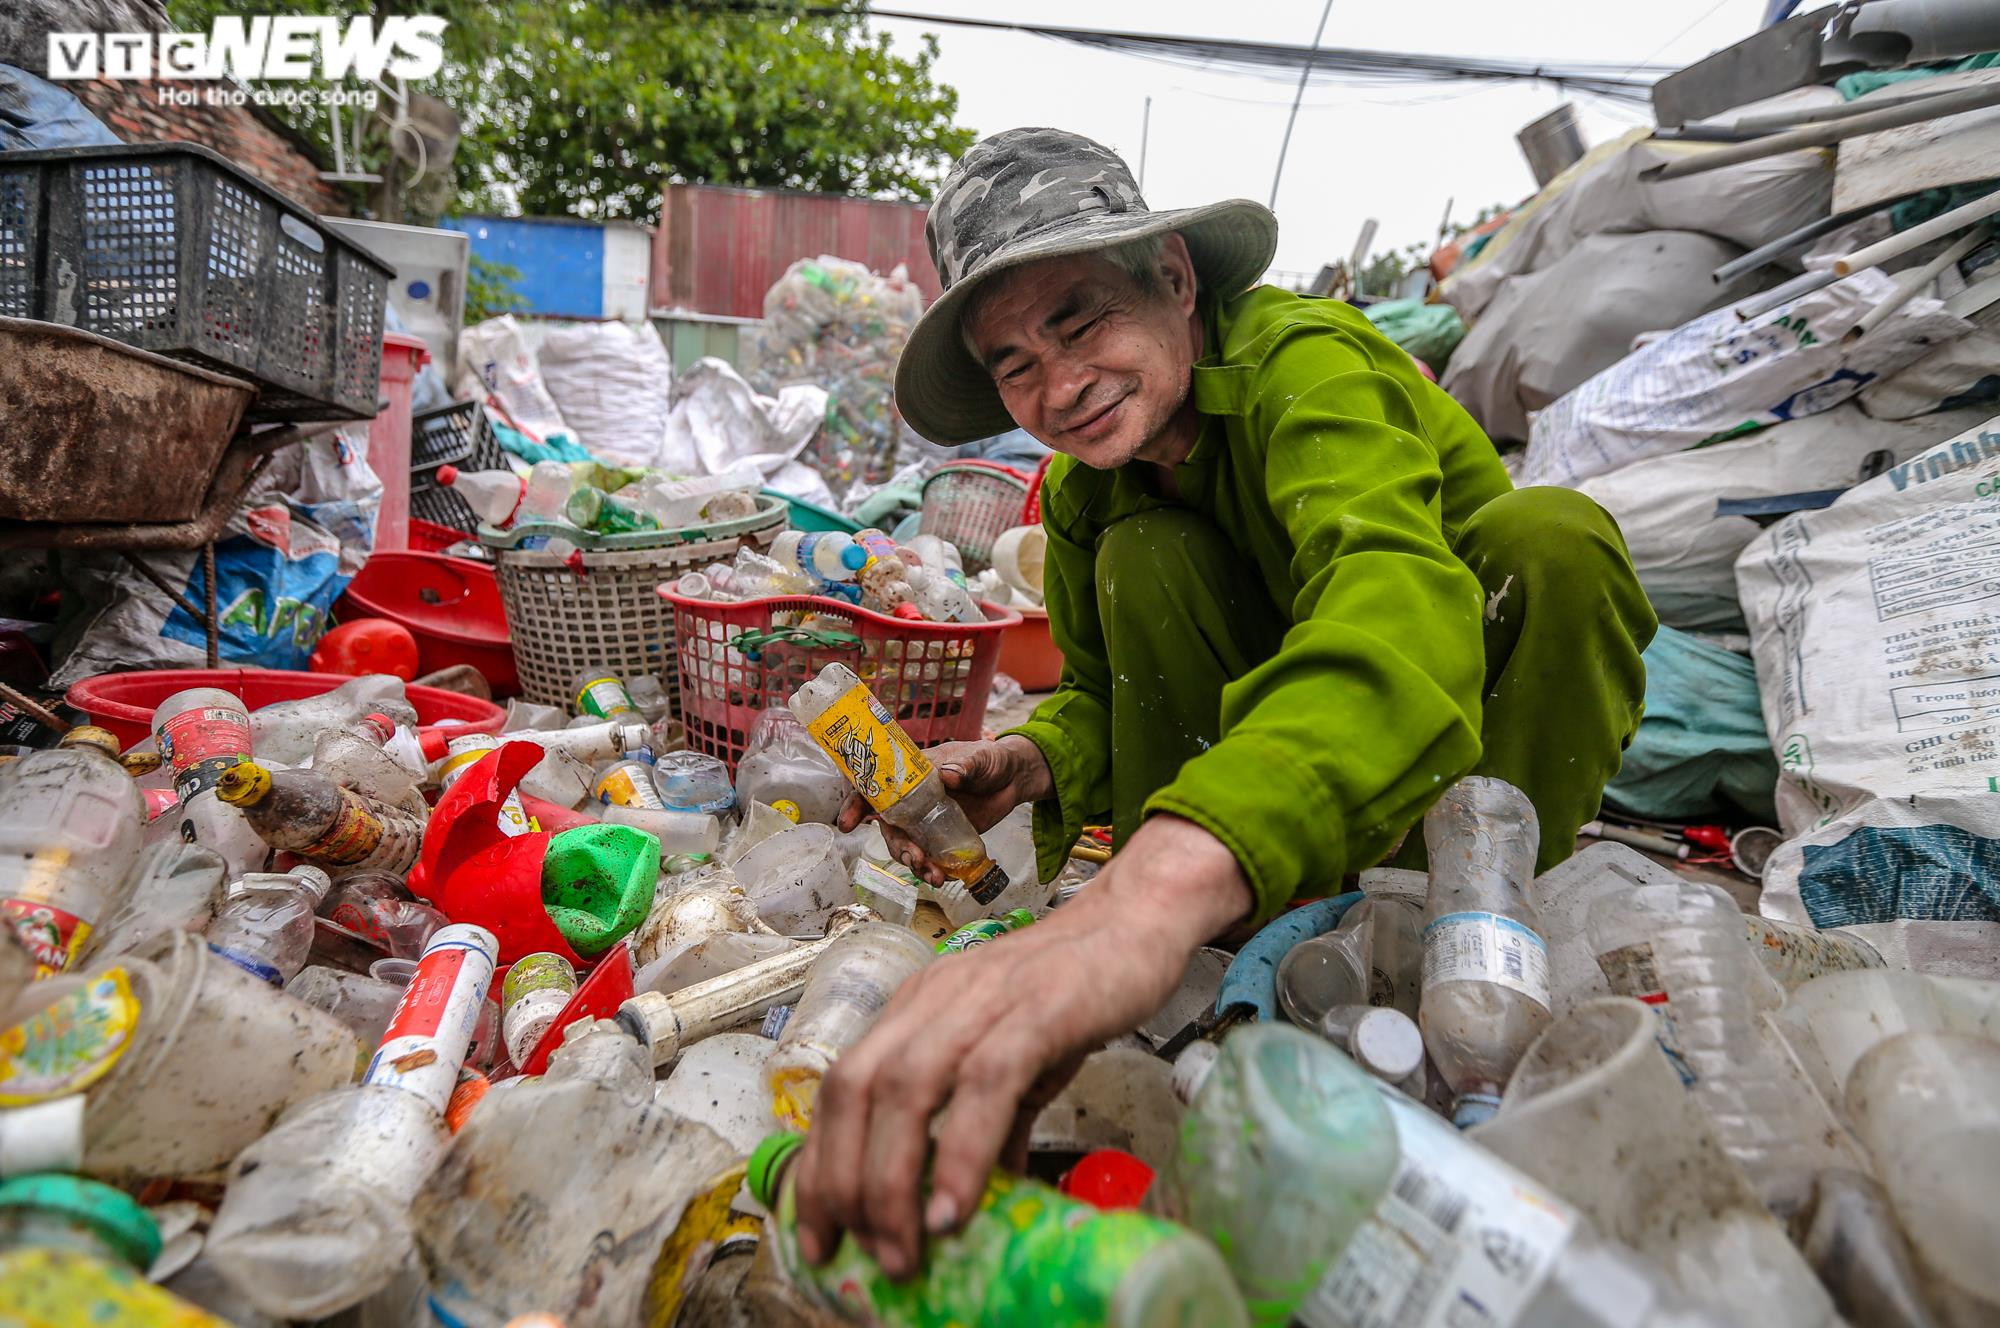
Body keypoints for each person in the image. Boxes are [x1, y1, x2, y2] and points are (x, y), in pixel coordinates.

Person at [790, 126, 1656, 1278]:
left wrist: (1135, 905)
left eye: (1078, 319)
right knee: (1141, 557)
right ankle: (1234, 954)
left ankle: (1480, 932)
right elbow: (1096, 689)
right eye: (1012, 363)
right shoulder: (1087, 491)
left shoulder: (1307, 364)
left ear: (1176, 280)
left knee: (1554, 543)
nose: (1057, 386)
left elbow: (1387, 606)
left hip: (1430, 741)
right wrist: (1034, 758)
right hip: (1263, 790)